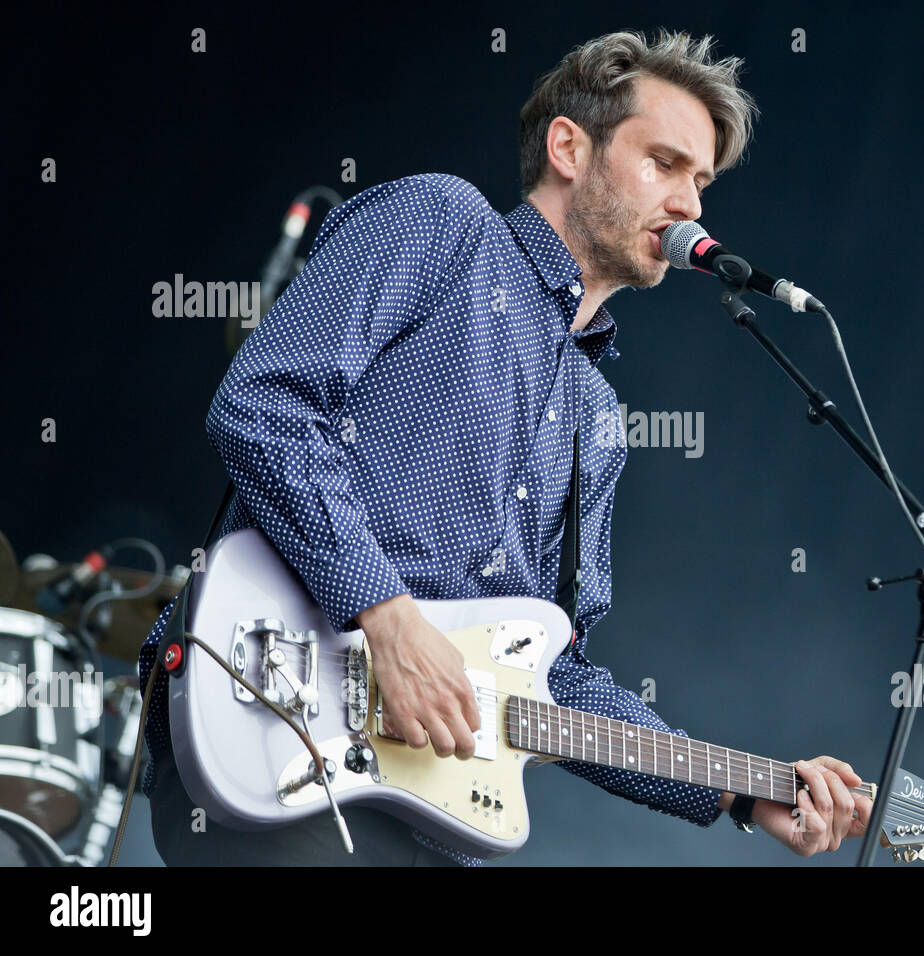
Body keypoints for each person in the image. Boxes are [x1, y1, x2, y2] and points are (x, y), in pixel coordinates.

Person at [138, 28, 873, 866]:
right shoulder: (442, 223)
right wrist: (386, 614)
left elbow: (557, 675)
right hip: (275, 723)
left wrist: (745, 789)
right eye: (664, 163)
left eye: (701, 181)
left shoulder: (596, 419)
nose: (691, 205)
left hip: (425, 812)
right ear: (569, 145)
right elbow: (263, 405)